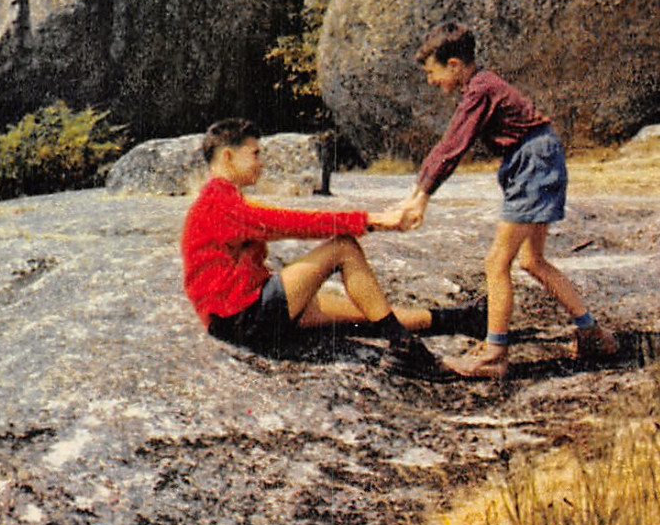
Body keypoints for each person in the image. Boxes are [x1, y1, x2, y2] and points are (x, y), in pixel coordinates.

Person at [181, 118, 484, 379]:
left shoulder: (222, 199)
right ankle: (406, 349)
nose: (261, 163)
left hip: (243, 315)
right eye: (256, 154)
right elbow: (293, 223)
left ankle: (461, 319)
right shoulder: (218, 204)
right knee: (343, 247)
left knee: (369, 313)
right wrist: (372, 220)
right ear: (229, 156)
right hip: (244, 316)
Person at [398, 22, 618, 379]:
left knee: (496, 263)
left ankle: (494, 355)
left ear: (454, 64)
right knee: (532, 261)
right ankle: (592, 333)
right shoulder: (482, 85)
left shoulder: (480, 90)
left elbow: (454, 144)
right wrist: (416, 192)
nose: (431, 81)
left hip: (533, 164)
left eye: (431, 72)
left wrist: (422, 195)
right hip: (538, 160)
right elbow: (452, 145)